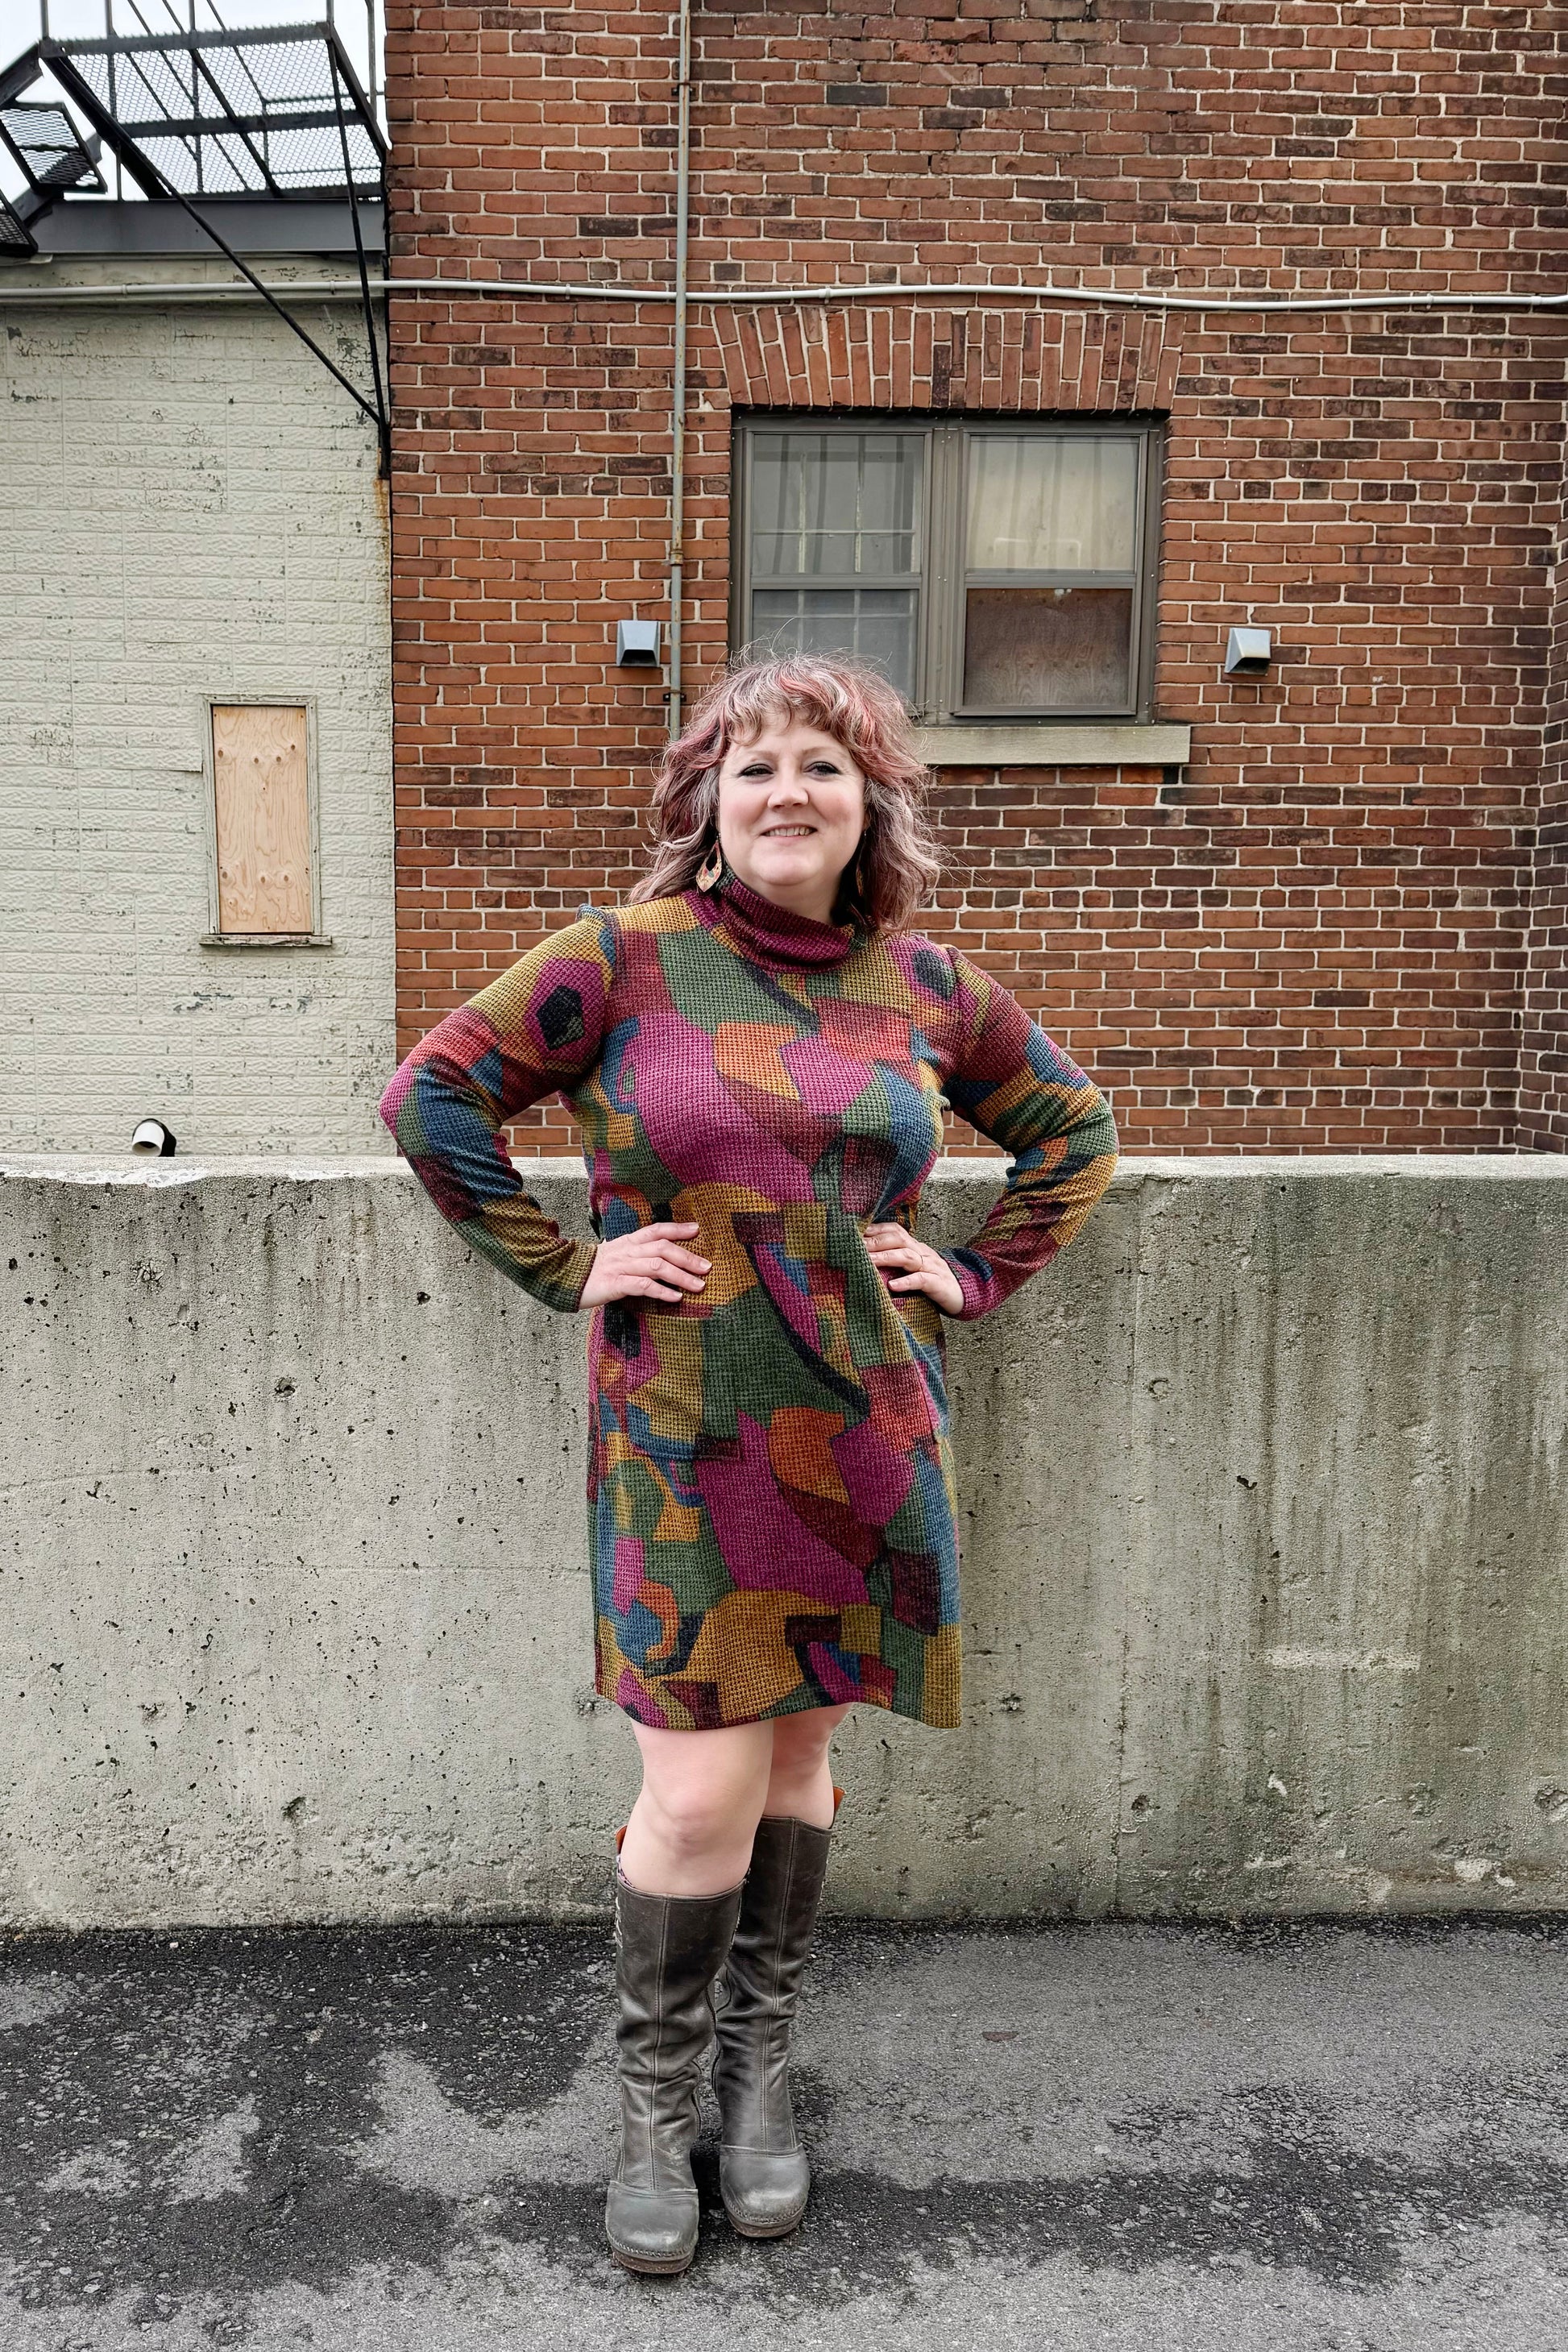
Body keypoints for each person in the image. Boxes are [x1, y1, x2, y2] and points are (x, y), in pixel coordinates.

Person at [380, 653, 1118, 2275]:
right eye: (757, 763)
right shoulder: (621, 961)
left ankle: (754, 2068)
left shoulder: (920, 982)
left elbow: (1073, 1131)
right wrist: (562, 1260)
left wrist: (971, 1271)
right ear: (703, 798)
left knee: (792, 1767)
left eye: (825, 767)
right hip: (681, 1436)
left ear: (872, 805)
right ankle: (656, 2099)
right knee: (697, 1783)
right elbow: (434, 1092)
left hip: (858, 1423)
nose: (790, 791)